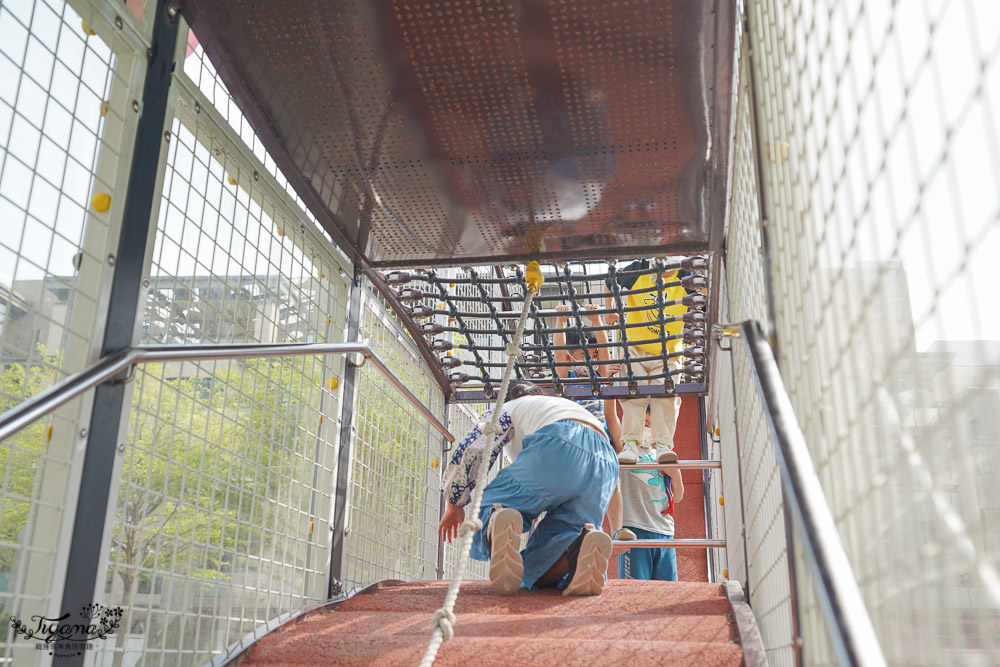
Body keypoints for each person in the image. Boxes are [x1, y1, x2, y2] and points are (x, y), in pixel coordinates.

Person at [438, 380, 619, 596]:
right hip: (606, 462)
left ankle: (498, 514)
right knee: (540, 561)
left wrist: (455, 502)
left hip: (560, 441)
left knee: (489, 503)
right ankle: (578, 548)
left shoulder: (508, 408)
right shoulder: (558, 405)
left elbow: (473, 448)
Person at [553, 304, 634, 543]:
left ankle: (617, 529)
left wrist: (597, 321)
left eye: (595, 357)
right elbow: (559, 351)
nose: (592, 360)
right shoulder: (568, 378)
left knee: (613, 481)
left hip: (599, 435)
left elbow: (605, 351)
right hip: (575, 435)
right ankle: (578, 531)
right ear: (571, 358)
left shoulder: (599, 377)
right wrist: (560, 322)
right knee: (577, 486)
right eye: (584, 356)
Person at [604, 258, 689, 465]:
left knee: (667, 396)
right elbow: (609, 281)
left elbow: (704, 296)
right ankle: (630, 443)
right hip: (635, 346)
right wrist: (609, 310)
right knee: (633, 393)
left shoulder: (686, 277)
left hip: (667, 351)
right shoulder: (639, 269)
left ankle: (663, 445)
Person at [618, 409, 685, 581]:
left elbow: (677, 496)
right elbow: (612, 419)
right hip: (635, 528)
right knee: (634, 592)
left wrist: (675, 474)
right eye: (643, 425)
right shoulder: (626, 450)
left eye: (649, 425)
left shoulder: (664, 454)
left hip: (664, 530)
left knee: (667, 593)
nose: (646, 430)